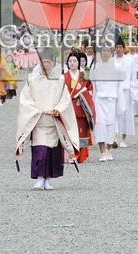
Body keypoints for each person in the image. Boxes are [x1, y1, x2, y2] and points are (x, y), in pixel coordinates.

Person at [15, 49, 79, 190]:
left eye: (49, 62)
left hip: (53, 120)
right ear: (40, 63)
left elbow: (65, 99)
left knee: (52, 152)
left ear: (53, 63)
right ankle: (39, 178)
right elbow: (25, 99)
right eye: (44, 62)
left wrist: (58, 110)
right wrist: (35, 111)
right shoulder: (32, 79)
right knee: (40, 150)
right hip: (39, 120)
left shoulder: (60, 80)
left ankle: (48, 179)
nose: (46, 65)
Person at [63, 52, 95, 163]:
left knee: (81, 131)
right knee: (69, 131)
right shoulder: (64, 76)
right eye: (70, 61)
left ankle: (80, 155)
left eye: (74, 61)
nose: (72, 63)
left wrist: (83, 95)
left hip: (81, 107)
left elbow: (90, 90)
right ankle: (71, 154)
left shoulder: (84, 76)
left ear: (78, 62)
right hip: (68, 107)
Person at [91, 46, 120, 161]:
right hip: (99, 99)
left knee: (111, 124)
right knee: (100, 125)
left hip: (112, 99)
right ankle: (102, 152)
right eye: (104, 51)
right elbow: (93, 85)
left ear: (111, 53)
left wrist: (119, 101)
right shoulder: (95, 67)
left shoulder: (116, 67)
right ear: (100, 52)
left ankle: (109, 150)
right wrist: (93, 101)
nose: (106, 53)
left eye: (108, 51)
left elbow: (119, 85)